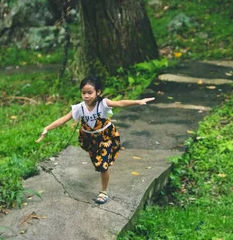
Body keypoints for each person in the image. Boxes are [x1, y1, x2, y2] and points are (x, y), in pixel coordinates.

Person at [36, 76, 154, 204]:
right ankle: (103, 167)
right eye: (83, 93)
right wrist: (47, 128)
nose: (86, 96)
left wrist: (138, 101)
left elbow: (120, 103)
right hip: (90, 139)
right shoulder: (79, 108)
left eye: (90, 93)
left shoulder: (103, 104)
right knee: (98, 163)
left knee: (103, 165)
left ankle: (104, 191)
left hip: (106, 137)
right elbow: (63, 119)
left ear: (98, 92)